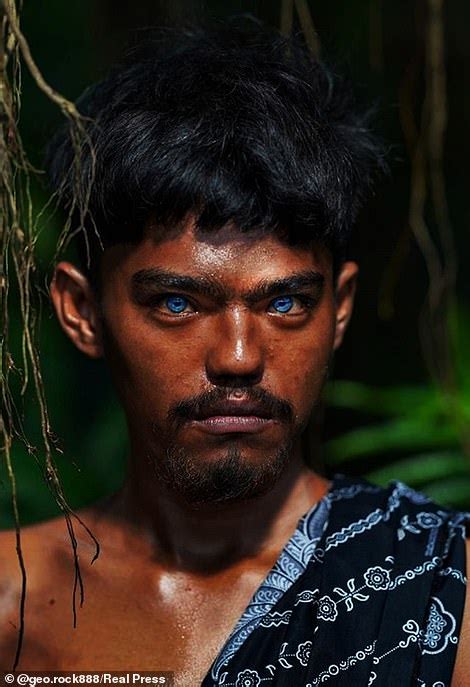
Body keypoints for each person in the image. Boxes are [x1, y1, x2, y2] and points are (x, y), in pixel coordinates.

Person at [0, 22, 469, 686]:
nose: (241, 356)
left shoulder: (441, 585)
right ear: (82, 311)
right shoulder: (13, 609)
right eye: (177, 303)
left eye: (284, 304)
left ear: (338, 308)